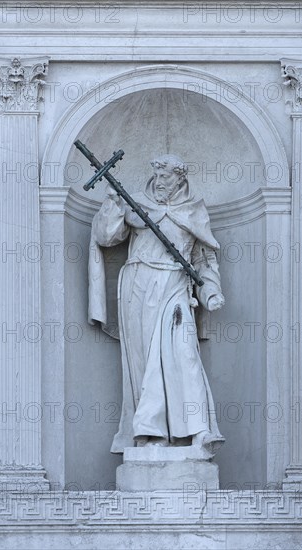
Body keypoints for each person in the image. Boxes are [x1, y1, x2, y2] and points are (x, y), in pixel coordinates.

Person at [88, 154, 225, 455]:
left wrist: (211, 291)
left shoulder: (194, 211)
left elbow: (203, 260)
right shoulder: (135, 203)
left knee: (184, 354)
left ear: (180, 178)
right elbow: (106, 237)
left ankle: (199, 429)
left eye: (166, 177)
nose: (160, 182)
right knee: (143, 361)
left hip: (176, 286)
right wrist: (113, 202)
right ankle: (152, 432)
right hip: (139, 285)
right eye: (157, 176)